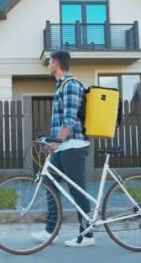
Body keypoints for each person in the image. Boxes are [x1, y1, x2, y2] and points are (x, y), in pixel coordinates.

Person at [31, 50, 94, 247]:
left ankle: (88, 235)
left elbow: (70, 118)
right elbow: (61, 121)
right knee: (49, 182)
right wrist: (52, 140)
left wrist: (56, 141)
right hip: (63, 145)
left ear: (56, 63)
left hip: (73, 145)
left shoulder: (71, 86)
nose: (48, 64)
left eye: (50, 61)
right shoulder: (61, 86)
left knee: (76, 190)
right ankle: (51, 232)